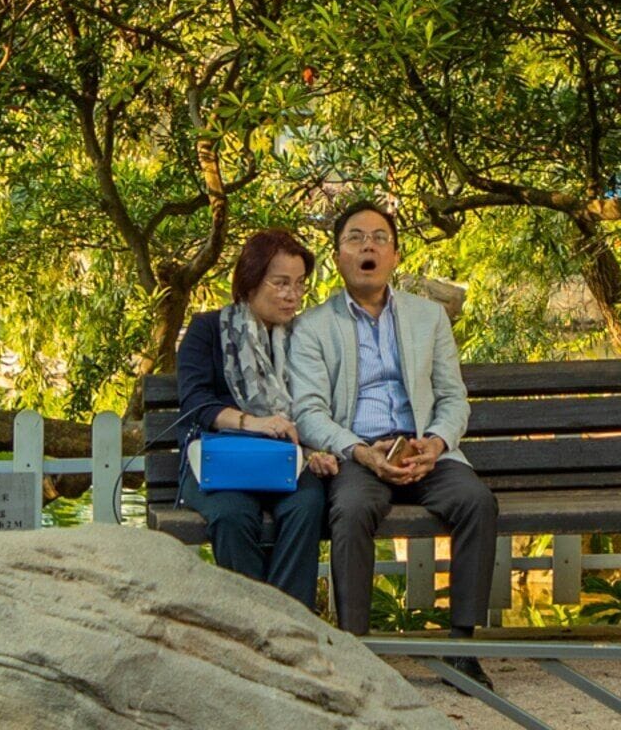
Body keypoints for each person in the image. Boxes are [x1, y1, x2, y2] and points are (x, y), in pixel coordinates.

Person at [291, 199, 499, 673]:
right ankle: (357, 653)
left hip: (422, 448)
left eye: (380, 238)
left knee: (476, 502)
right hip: (358, 452)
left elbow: (452, 398)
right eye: (355, 238)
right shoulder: (313, 327)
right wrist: (360, 451)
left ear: (396, 255)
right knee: (350, 509)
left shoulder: (429, 318)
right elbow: (308, 411)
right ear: (339, 255)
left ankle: (462, 647)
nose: (368, 246)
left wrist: (437, 443)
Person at [170, 227, 338, 611]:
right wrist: (255, 423)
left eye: (299, 284)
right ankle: (252, 626)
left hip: (287, 458)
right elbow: (196, 404)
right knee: (232, 515)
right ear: (249, 281)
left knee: (306, 506)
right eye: (280, 283)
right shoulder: (208, 330)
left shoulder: (302, 338)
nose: (292, 295)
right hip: (221, 458)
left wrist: (318, 450)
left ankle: (288, 627)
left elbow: (313, 406)